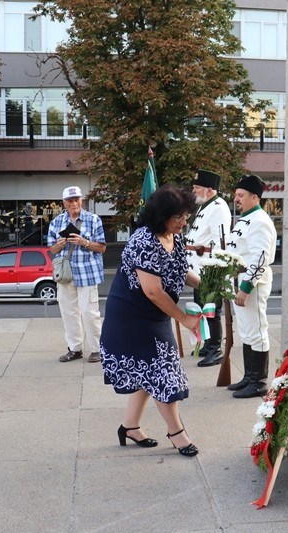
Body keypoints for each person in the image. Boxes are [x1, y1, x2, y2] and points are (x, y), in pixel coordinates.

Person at [99, 184, 201, 457]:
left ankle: (130, 427)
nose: (183, 222)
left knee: (148, 374)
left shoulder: (173, 236)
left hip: (154, 316)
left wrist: (210, 283)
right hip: (131, 318)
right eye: (178, 217)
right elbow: (153, 291)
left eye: (185, 216)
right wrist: (184, 319)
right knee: (164, 372)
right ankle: (177, 433)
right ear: (160, 216)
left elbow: (181, 270)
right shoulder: (143, 241)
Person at [225, 174, 277, 399]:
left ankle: (258, 381)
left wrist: (245, 287)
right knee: (246, 331)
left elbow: (260, 257)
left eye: (241, 195)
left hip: (252, 283)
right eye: (236, 195)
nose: (236, 199)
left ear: (255, 197)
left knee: (256, 331)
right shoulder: (247, 218)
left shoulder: (260, 221)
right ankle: (249, 376)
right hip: (239, 279)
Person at [47, 186, 106, 363]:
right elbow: (52, 250)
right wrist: (59, 245)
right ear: (64, 203)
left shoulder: (93, 219)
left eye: (77, 199)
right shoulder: (56, 222)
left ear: (82, 200)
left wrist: (84, 242)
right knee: (68, 313)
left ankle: (97, 350)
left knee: (89, 313)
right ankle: (75, 349)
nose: (74, 203)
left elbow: (102, 247)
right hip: (65, 274)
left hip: (87, 273)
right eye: (70, 200)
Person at [185, 169, 232, 367]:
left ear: (209, 189)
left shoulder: (218, 207)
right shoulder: (206, 206)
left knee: (211, 309)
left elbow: (221, 242)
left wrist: (217, 272)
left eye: (197, 187)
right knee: (202, 307)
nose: (194, 190)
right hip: (198, 267)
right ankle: (207, 343)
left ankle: (215, 349)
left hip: (210, 269)